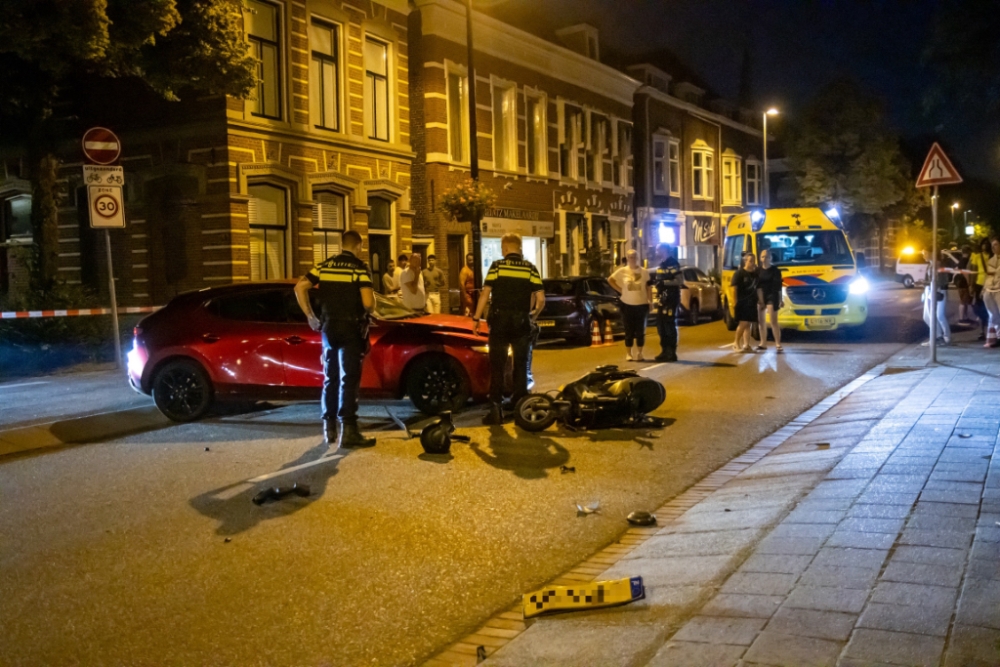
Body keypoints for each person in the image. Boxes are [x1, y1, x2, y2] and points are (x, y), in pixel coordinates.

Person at [293, 230, 376, 448]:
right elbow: (368, 303)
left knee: (330, 377)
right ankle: (349, 431)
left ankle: (329, 427)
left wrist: (311, 316)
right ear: (358, 246)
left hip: (328, 328)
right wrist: (371, 305)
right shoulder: (359, 268)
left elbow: (300, 287)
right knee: (348, 379)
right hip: (351, 327)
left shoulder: (324, 266)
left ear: (342, 245)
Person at [472, 233, 545, 425]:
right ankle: (520, 407)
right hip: (521, 321)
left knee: (497, 366)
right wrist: (531, 317)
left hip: (499, 321)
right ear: (519, 248)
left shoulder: (497, 266)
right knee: (520, 365)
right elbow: (541, 300)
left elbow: (484, 294)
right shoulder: (530, 268)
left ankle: (495, 409)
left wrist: (476, 318)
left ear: (504, 249)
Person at [608, 249, 651, 361]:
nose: (633, 259)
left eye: (635, 257)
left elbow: (648, 287)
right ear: (627, 259)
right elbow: (610, 280)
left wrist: (650, 301)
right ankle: (629, 353)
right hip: (627, 304)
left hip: (641, 304)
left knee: (640, 330)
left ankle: (640, 353)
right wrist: (620, 290)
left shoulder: (644, 272)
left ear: (638, 258)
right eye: (630, 257)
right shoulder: (622, 271)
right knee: (629, 329)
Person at [649, 244, 683, 362]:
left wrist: (664, 283)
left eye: (658, 249)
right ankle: (664, 350)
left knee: (669, 325)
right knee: (661, 326)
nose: (656, 251)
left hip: (671, 299)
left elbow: (679, 280)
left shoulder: (673, 263)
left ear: (664, 250)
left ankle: (671, 352)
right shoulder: (661, 264)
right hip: (662, 299)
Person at [921, 249, 951, 346]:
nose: (923, 256)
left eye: (925, 253)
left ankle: (942, 337)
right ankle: (937, 337)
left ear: (931, 253)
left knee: (938, 315)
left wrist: (937, 290)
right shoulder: (930, 265)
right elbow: (930, 280)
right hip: (930, 291)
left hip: (937, 292)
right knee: (928, 316)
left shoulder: (938, 265)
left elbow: (942, 281)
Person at [756, 248, 784, 353]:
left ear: (770, 258)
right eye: (763, 256)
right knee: (761, 321)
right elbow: (757, 286)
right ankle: (763, 343)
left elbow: (779, 287)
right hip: (761, 296)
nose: (765, 258)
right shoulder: (758, 270)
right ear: (760, 258)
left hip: (773, 296)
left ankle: (778, 343)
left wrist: (781, 300)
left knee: (773, 321)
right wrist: (760, 300)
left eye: (767, 256)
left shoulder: (775, 270)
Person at [731, 252, 759, 352]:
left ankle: (746, 345)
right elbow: (734, 288)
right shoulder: (739, 273)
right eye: (750, 261)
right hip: (742, 302)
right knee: (743, 323)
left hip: (752, 302)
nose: (752, 263)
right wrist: (735, 302)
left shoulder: (755, 274)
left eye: (753, 261)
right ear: (745, 261)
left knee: (748, 324)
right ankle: (736, 343)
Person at [969, 238, 991, 341]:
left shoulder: (994, 256)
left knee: (991, 309)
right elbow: (974, 271)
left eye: (987, 244)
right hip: (979, 284)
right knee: (981, 308)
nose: (985, 245)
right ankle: (982, 331)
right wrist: (971, 285)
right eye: (984, 243)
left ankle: (991, 331)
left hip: (992, 285)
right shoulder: (977, 256)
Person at [982, 238, 1000, 348]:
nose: (993, 247)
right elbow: (988, 276)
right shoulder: (990, 260)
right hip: (989, 291)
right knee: (994, 316)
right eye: (992, 245)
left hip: (999, 290)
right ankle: (998, 337)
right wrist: (984, 289)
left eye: (996, 245)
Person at [955, 245, 972, 324]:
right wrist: (969, 282)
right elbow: (965, 272)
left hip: (960, 282)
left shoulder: (961, 260)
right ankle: (961, 319)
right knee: (963, 301)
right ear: (968, 252)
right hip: (963, 282)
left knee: (964, 301)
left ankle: (965, 317)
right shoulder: (966, 260)